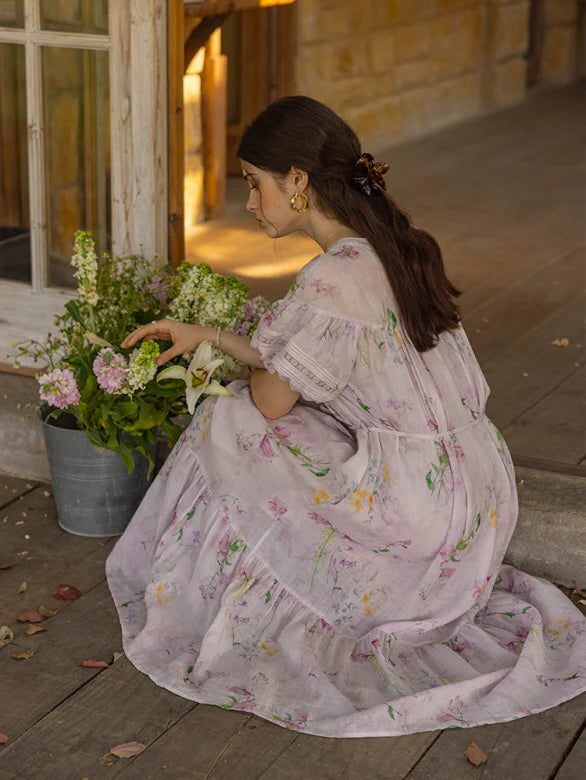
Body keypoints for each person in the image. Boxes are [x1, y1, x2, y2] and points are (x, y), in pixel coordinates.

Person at [106, 96, 585, 738]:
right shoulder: (395, 246)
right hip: (479, 490)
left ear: (297, 180)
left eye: (254, 183)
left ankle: (209, 589)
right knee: (271, 411)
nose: (249, 202)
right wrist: (212, 336)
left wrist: (230, 373)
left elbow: (272, 397)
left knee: (229, 418)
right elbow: (305, 361)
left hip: (415, 503)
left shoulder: (331, 278)